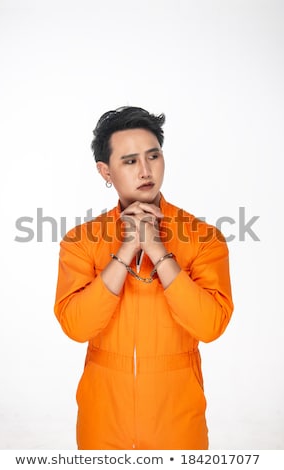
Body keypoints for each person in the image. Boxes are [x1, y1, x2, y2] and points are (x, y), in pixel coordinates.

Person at [53, 106, 234, 450]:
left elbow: (210, 326)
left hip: (178, 422)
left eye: (154, 156)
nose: (146, 170)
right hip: (102, 421)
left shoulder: (203, 237)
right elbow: (77, 327)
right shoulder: (79, 241)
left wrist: (156, 248)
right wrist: (125, 250)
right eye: (131, 161)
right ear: (105, 170)